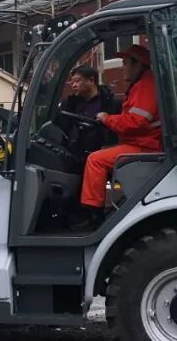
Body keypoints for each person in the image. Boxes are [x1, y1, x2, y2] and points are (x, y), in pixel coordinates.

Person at [77, 45, 162, 227]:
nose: (122, 67)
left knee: (95, 160)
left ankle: (93, 215)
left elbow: (135, 122)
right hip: (142, 143)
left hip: (143, 147)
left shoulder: (145, 87)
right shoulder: (144, 84)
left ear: (137, 64)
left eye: (125, 63)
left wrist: (107, 118)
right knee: (101, 152)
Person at [58, 65, 122, 156]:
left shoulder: (112, 103)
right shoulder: (69, 104)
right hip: (73, 153)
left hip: (101, 153)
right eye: (72, 82)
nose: (74, 85)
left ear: (91, 80)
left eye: (77, 81)